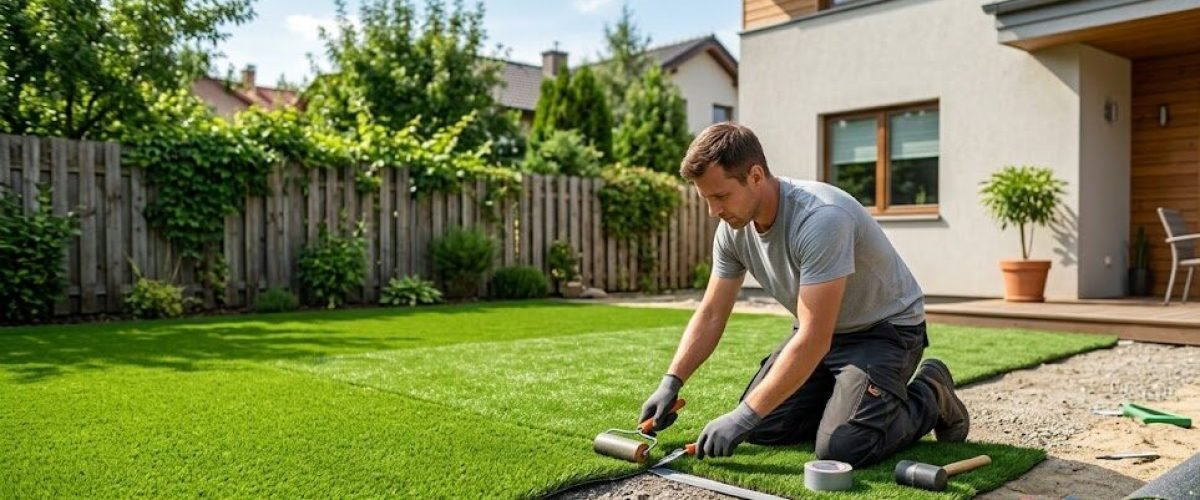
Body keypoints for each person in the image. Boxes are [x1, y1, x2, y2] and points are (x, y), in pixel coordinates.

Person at [638, 122, 969, 467]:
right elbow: (711, 313)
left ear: (755, 176)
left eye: (720, 196)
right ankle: (846, 399)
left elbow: (813, 338)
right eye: (706, 199)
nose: (714, 212)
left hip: (884, 332)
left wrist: (744, 415)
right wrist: (671, 382)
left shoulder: (821, 218)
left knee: (843, 447)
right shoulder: (732, 231)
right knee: (764, 428)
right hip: (823, 333)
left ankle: (931, 392)